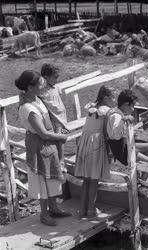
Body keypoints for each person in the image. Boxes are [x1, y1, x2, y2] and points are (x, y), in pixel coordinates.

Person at [16, 70, 71, 227]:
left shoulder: (36, 99)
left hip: (48, 145)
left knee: (51, 177)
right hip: (38, 145)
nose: (43, 86)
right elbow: (43, 133)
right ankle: (44, 214)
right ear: (30, 87)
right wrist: (61, 137)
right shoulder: (28, 108)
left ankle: (54, 208)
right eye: (40, 84)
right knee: (42, 179)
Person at [74, 85, 116, 218]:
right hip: (96, 144)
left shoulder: (92, 107)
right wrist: (110, 152)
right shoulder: (107, 112)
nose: (115, 100)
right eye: (113, 97)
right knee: (93, 180)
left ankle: (82, 210)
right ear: (105, 98)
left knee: (86, 179)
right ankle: (91, 210)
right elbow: (106, 132)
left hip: (84, 142)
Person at [106, 89, 148, 174]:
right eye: (132, 106)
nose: (132, 109)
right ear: (125, 105)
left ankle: (138, 167)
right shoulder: (117, 116)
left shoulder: (118, 113)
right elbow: (117, 136)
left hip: (125, 145)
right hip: (122, 151)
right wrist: (124, 120)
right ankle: (140, 183)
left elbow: (120, 132)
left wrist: (133, 130)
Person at [39, 63, 68, 168]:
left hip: (61, 115)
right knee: (59, 138)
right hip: (54, 116)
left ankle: (60, 159)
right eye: (55, 77)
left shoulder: (54, 87)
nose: (57, 80)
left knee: (60, 136)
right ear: (46, 77)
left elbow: (59, 96)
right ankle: (61, 159)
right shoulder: (42, 89)